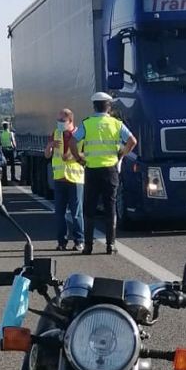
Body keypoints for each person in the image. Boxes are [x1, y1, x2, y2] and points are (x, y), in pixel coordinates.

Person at [71, 93, 137, 255]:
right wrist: (121, 153)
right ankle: (111, 245)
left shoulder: (87, 124)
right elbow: (132, 141)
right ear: (109, 106)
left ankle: (88, 246)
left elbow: (72, 141)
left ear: (94, 106)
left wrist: (79, 158)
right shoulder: (116, 123)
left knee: (89, 208)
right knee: (110, 207)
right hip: (110, 170)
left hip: (92, 170)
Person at [45, 108, 84, 252]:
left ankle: (79, 241)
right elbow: (47, 156)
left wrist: (73, 156)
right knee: (59, 213)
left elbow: (87, 153)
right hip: (60, 179)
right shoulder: (56, 133)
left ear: (70, 121)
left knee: (76, 213)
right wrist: (49, 146)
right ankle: (62, 242)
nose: (59, 123)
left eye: (62, 120)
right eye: (58, 120)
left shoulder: (80, 134)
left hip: (75, 179)